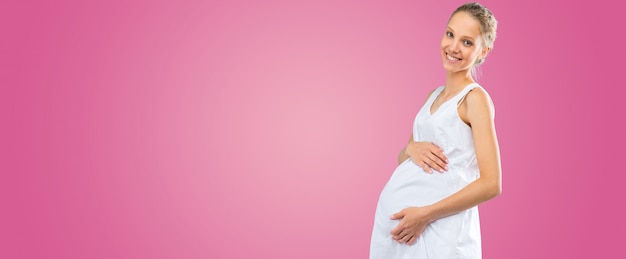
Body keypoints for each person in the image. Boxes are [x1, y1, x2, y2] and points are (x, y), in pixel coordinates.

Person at [369, 2, 501, 258]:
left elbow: (492, 183)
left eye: (466, 42)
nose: (453, 47)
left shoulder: (475, 99)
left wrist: (425, 214)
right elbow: (403, 160)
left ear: (483, 51)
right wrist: (411, 148)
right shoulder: (434, 96)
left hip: (441, 232)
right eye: (450, 34)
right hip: (402, 233)